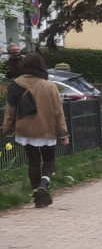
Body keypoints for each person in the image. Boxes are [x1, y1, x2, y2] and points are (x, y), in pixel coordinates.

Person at [3, 53, 68, 207]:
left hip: (24, 129)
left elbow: (10, 110)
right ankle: (44, 184)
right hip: (46, 129)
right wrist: (63, 133)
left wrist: (7, 129)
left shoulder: (16, 84)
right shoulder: (49, 86)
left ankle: (37, 196)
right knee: (49, 160)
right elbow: (58, 112)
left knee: (33, 161)